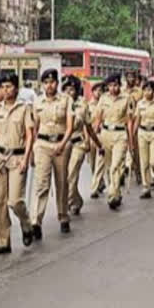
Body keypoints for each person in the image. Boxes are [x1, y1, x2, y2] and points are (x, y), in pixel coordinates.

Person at [0, 74, 35, 254]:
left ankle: (26, 223)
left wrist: (26, 158)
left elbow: (30, 135)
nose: (5, 90)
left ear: (16, 88)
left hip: (17, 157)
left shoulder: (24, 109)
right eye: (3, 87)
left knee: (15, 201)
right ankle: (3, 241)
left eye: (9, 86)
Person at [30, 69, 74, 237]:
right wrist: (33, 151)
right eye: (46, 83)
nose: (50, 85)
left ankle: (63, 216)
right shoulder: (37, 102)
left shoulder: (66, 100)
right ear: (42, 85)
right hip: (42, 144)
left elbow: (70, 126)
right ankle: (36, 221)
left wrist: (62, 144)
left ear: (57, 83)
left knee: (62, 182)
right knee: (41, 183)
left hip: (61, 143)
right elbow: (34, 127)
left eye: (53, 82)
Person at [92, 73, 133, 210]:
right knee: (109, 167)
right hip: (105, 134)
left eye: (115, 85)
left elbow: (129, 122)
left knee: (115, 166)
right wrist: (94, 136)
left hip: (120, 134)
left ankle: (112, 196)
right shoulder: (103, 99)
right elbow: (98, 118)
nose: (113, 88)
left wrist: (131, 141)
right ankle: (117, 191)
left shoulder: (126, 99)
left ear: (119, 85)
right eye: (110, 85)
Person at [64, 75, 102, 216]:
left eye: (72, 89)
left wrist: (97, 144)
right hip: (63, 144)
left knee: (71, 175)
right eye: (66, 89)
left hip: (78, 143)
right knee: (64, 177)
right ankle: (77, 200)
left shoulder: (83, 104)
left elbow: (89, 126)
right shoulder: (59, 103)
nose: (69, 92)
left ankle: (66, 203)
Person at [88, 82, 107, 197]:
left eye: (101, 91)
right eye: (96, 90)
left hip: (102, 135)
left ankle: (94, 188)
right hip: (91, 136)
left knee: (100, 162)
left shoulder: (105, 104)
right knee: (92, 163)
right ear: (93, 92)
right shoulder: (88, 105)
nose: (98, 93)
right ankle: (100, 182)